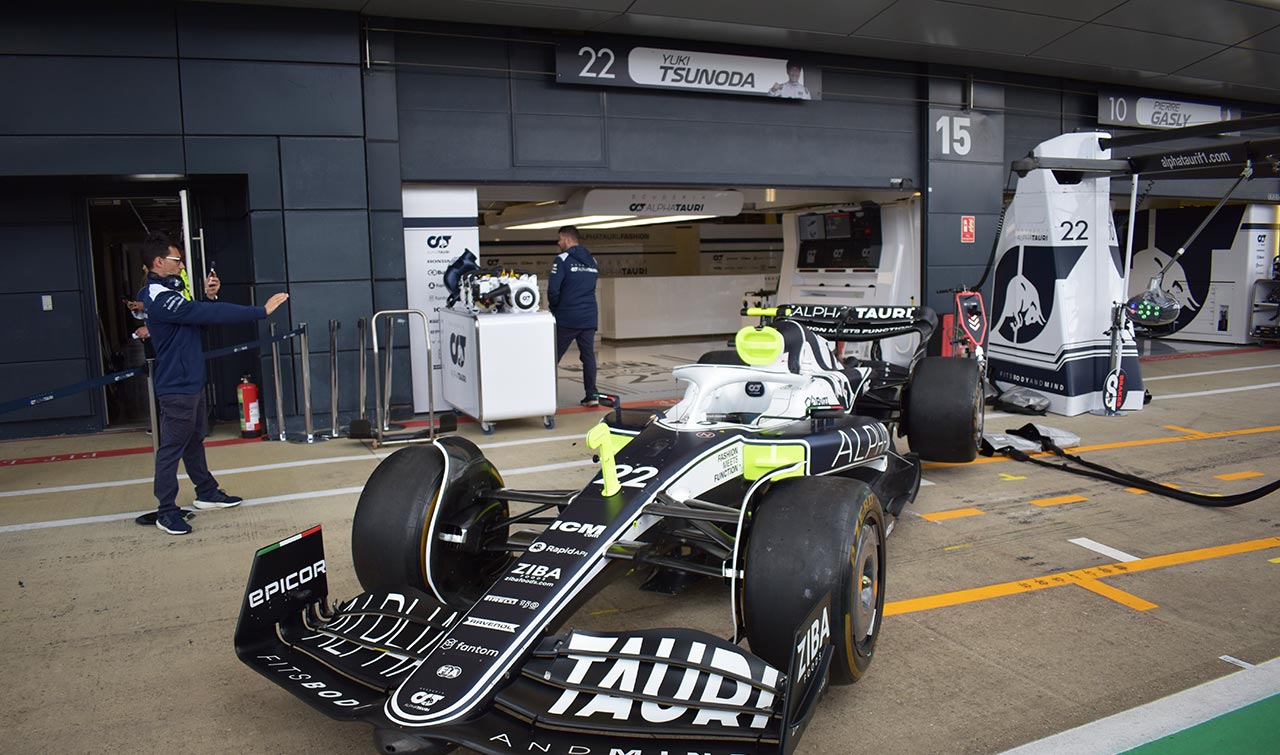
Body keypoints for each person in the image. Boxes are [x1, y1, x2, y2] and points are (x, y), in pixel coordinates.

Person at [138, 231, 289, 535]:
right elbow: (201, 313)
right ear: (158, 262)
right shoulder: (156, 295)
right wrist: (259, 311)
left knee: (194, 441)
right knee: (171, 448)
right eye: (176, 259)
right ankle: (166, 511)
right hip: (176, 386)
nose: (181, 265)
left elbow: (199, 319)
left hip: (192, 381)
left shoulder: (174, 291)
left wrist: (209, 296)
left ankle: (206, 492)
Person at [547, 225, 600, 407]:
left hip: (567, 317)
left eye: (560, 239)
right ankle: (592, 395)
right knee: (588, 357)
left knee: (552, 356)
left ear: (568, 239)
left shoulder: (562, 260)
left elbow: (553, 290)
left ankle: (545, 396)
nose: (558, 242)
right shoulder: (593, 261)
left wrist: (555, 309)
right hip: (589, 317)